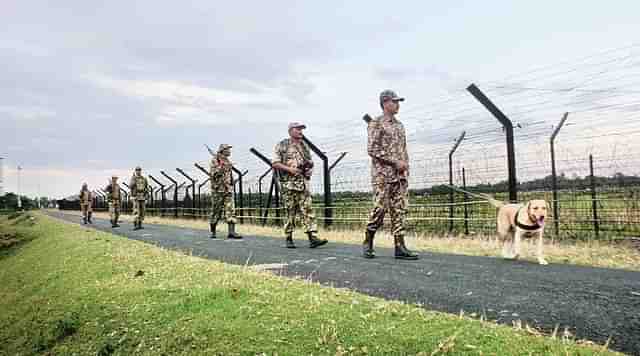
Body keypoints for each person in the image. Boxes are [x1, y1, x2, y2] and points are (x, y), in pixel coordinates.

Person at [363, 90, 418, 260]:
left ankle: (399, 247)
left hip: (399, 176)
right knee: (380, 208)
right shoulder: (376, 123)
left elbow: (403, 149)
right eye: (395, 101)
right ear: (385, 103)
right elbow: (372, 149)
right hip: (382, 175)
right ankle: (368, 241)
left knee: (399, 209)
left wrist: (405, 165)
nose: (398, 104)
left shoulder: (400, 125)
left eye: (398, 101)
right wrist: (394, 162)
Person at [272, 122, 327, 249]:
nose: (301, 132)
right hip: (288, 184)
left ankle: (312, 237)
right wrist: (290, 170)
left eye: (301, 129)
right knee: (290, 211)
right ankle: (289, 237)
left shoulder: (304, 146)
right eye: (298, 129)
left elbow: (310, 162)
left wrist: (308, 171)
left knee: (307, 209)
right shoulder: (282, 145)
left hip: (303, 183)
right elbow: (275, 163)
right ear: (291, 131)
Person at [209, 144, 242, 239]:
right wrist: (220, 166)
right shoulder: (215, 160)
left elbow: (229, 175)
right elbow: (213, 174)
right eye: (228, 149)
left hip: (228, 190)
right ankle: (213, 231)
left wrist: (232, 184)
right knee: (216, 211)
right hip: (217, 190)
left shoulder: (228, 161)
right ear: (223, 150)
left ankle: (231, 232)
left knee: (231, 210)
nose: (229, 151)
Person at [129, 166, 149, 230]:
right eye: (137, 170)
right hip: (136, 196)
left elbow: (146, 188)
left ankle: (140, 224)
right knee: (136, 211)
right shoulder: (133, 178)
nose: (138, 171)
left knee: (143, 211)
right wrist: (133, 179)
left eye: (139, 170)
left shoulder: (144, 179)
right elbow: (130, 186)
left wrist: (146, 196)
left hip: (142, 196)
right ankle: (135, 225)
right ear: (135, 171)